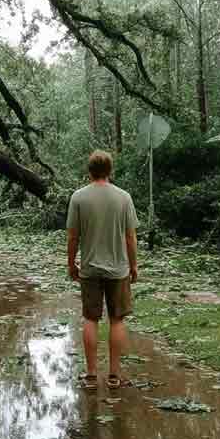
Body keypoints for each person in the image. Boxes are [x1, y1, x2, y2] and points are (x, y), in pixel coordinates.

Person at [65, 150, 139, 390]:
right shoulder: (124, 197)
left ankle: (91, 374)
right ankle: (115, 375)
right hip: (118, 269)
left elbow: (73, 236)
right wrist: (134, 265)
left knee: (90, 318)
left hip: (89, 269)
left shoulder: (78, 197)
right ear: (110, 170)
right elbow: (130, 237)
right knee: (117, 320)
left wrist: (71, 263)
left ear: (90, 171)